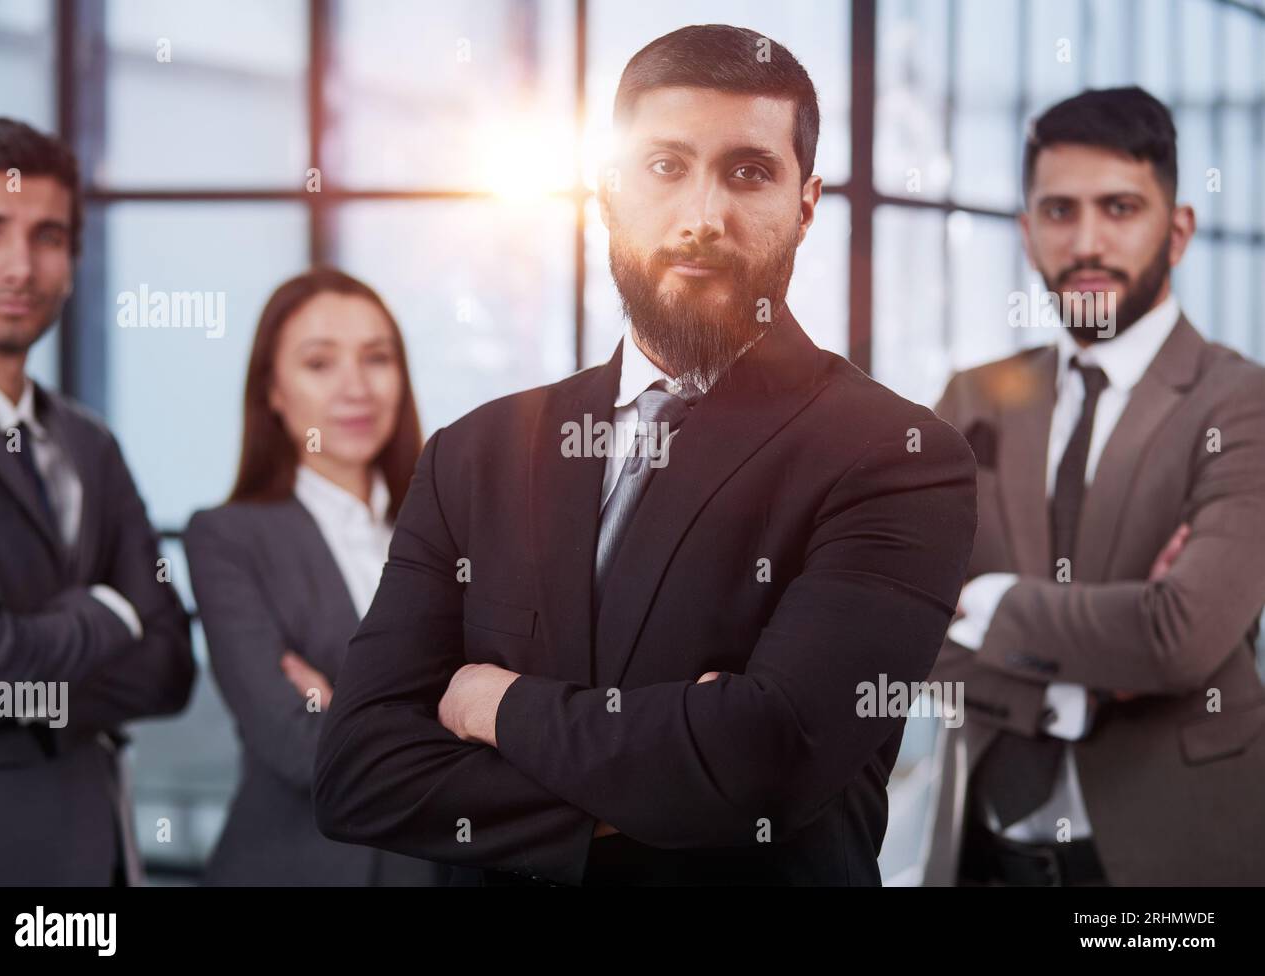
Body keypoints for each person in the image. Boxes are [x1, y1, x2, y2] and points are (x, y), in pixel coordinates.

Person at [313, 25, 977, 886]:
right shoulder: (472, 456)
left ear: (805, 205)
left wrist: (497, 702)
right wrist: (670, 771)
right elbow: (360, 773)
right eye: (666, 168)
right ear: (610, 193)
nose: (703, 217)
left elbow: (765, 766)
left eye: (748, 172)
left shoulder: (898, 459)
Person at [923, 87, 1265, 886]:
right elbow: (898, 626)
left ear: (1177, 231)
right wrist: (1079, 682)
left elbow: (1177, 637)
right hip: (984, 847)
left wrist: (992, 602)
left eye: (1119, 208)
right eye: (1058, 211)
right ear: (1026, 231)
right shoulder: (973, 398)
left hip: (1178, 856)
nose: (1086, 242)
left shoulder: (1242, 402)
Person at [0, 117, 195, 884]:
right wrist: (109, 614)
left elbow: (169, 668)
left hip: (97, 851)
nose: (20, 266)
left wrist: (29, 658)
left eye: (49, 236)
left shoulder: (90, 443)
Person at [185, 268, 451, 885]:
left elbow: (512, 716)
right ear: (273, 392)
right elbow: (292, 743)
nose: (356, 388)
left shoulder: (453, 532)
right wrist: (442, 726)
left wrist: (344, 712)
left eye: (377, 358)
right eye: (319, 363)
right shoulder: (227, 537)